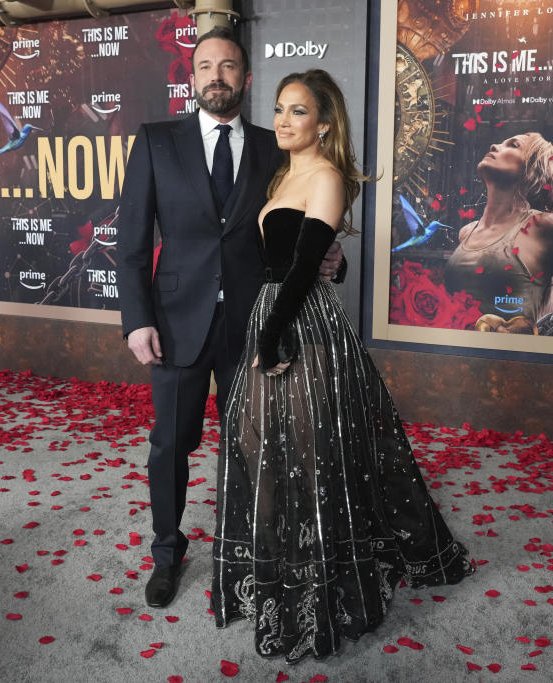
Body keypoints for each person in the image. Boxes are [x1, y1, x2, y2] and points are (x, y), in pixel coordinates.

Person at [211, 69, 475, 662]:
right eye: (279, 108)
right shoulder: (283, 173)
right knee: (263, 447)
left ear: (324, 123)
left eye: (297, 111)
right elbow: (299, 256)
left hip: (299, 326)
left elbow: (305, 269)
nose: (281, 119)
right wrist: (274, 319)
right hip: (271, 316)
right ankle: (281, 571)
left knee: (313, 452)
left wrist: (273, 338)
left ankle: (323, 584)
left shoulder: (326, 175)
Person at [117, 27, 344, 609]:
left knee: (257, 446)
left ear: (246, 78)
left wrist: (330, 259)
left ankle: (250, 551)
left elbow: (303, 229)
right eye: (204, 67)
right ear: (191, 79)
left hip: (256, 323)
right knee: (169, 444)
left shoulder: (278, 146)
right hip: (174, 321)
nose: (215, 75)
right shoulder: (156, 142)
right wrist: (136, 319)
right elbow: (133, 242)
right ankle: (167, 554)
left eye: (228, 66)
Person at [444, 132, 553, 336]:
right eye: (500, 141)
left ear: (534, 169)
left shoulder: (545, 226)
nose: (494, 145)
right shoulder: (466, 232)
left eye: (513, 145)